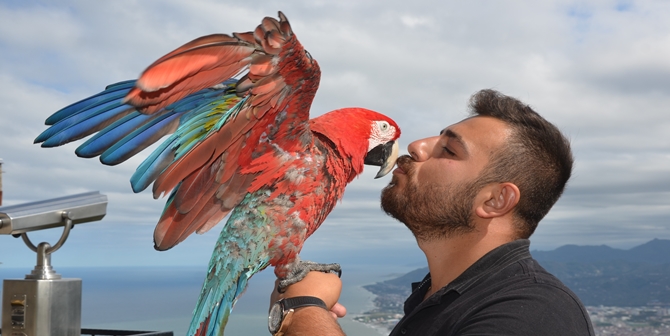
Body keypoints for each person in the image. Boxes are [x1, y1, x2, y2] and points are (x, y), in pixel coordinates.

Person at [268, 89, 595, 335]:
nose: (416, 145)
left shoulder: (534, 315)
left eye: (448, 149)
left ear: (495, 200)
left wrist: (304, 309)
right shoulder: (435, 302)